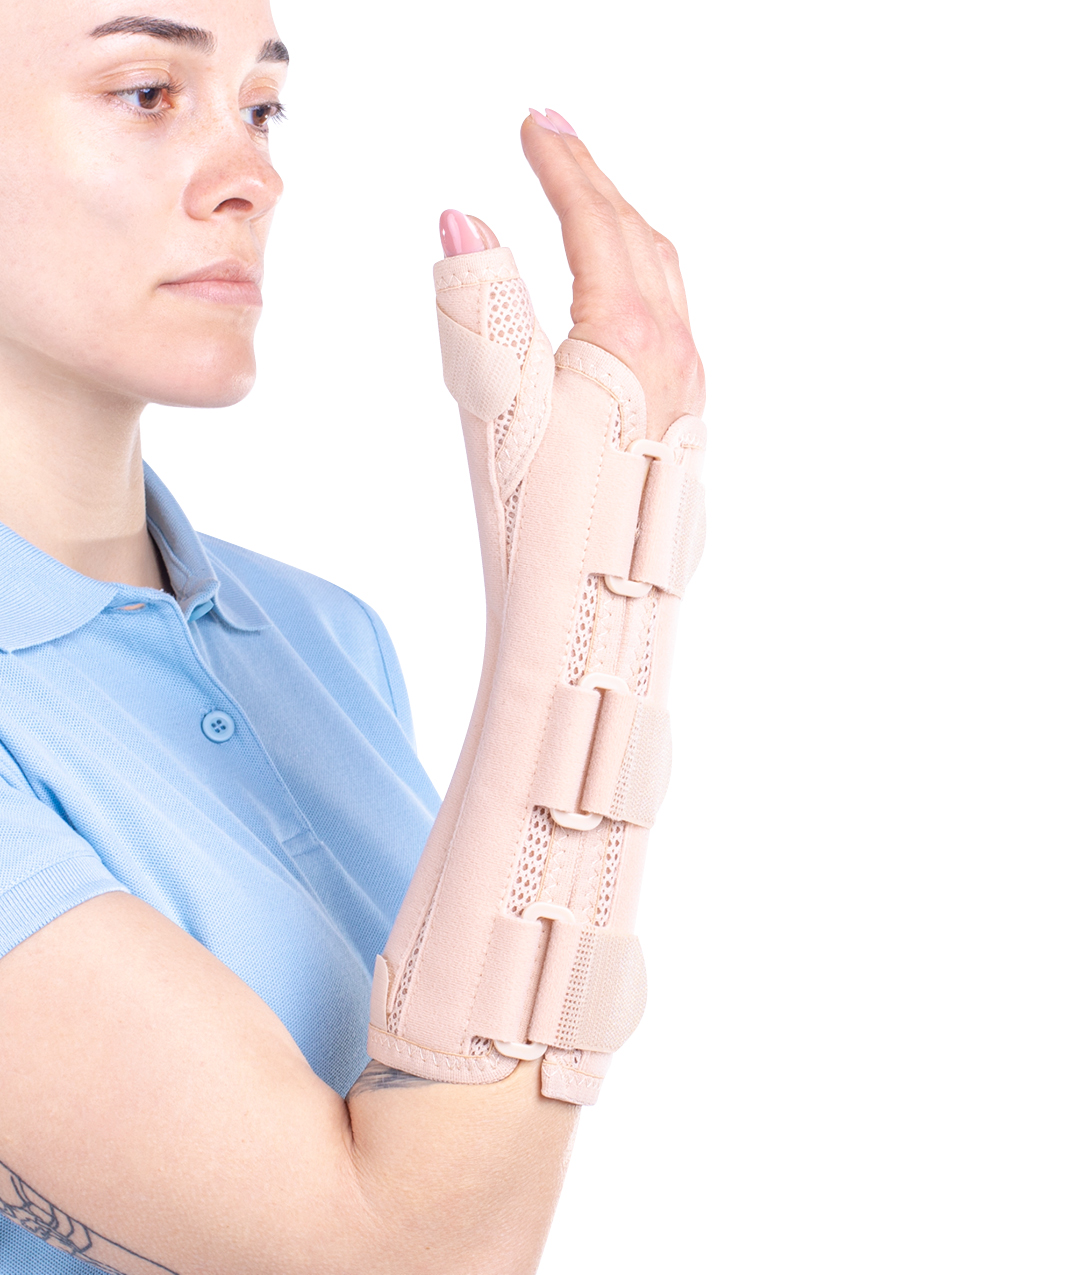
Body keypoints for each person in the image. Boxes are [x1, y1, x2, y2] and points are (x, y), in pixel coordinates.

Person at [0, 2, 705, 1272]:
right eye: (146, 93)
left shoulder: (324, 639)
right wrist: (595, 597)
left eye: (261, 108)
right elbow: (391, 1255)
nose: (251, 179)